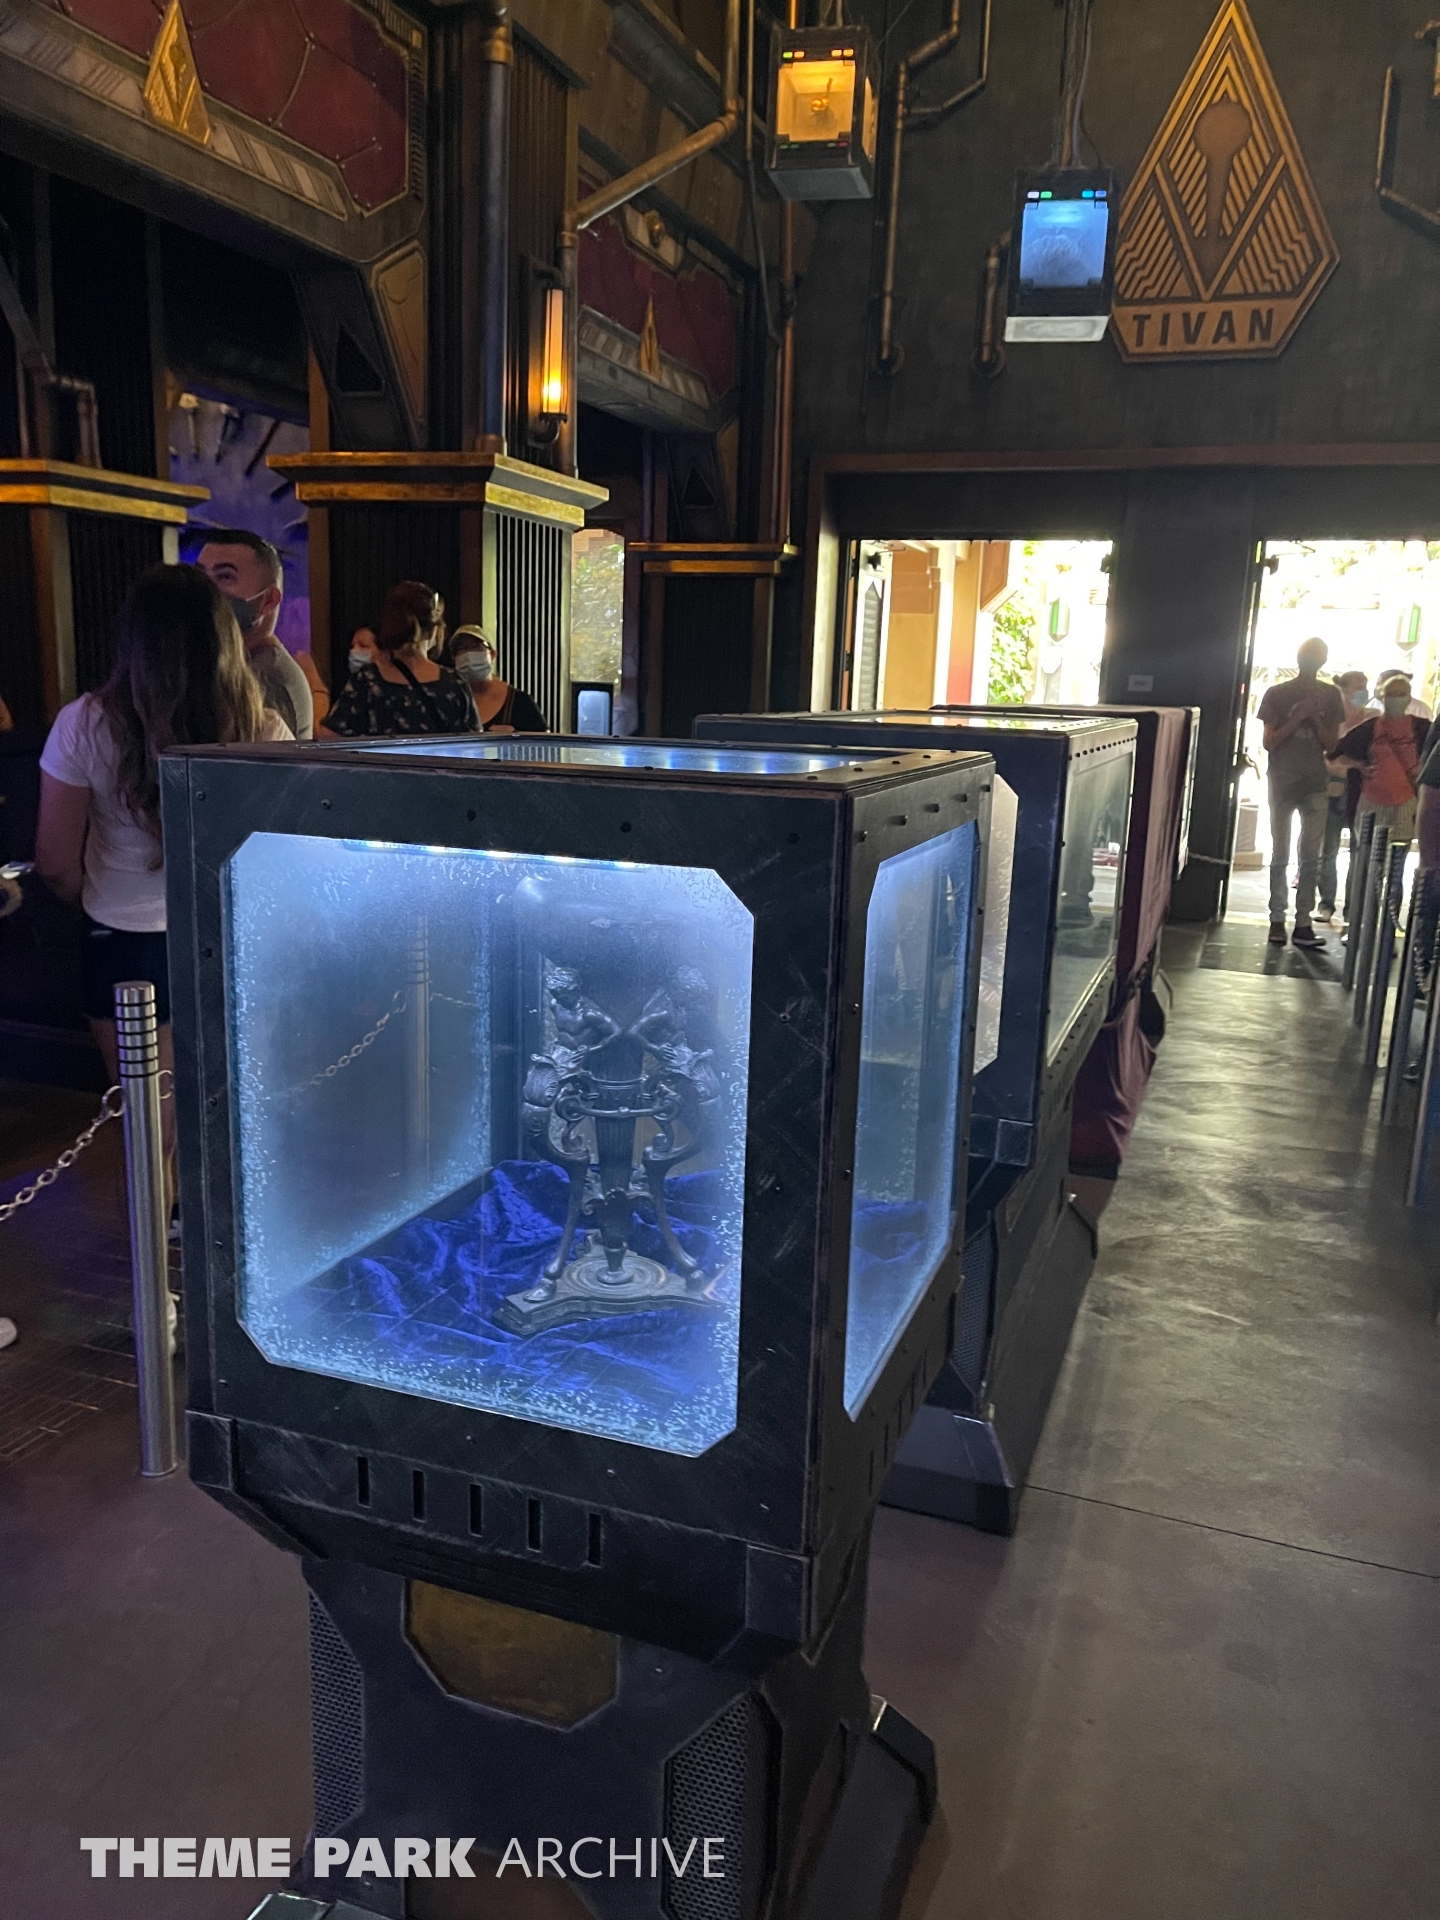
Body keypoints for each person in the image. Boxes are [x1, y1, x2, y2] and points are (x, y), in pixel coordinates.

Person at [34, 566, 291, 1186]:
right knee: (236, 1100)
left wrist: (99, 892)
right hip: (233, 934)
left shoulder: (84, 723)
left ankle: (165, 1226)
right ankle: (231, 1225)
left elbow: (55, 860)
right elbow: (283, 857)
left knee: (153, 1120)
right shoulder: (262, 727)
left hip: (124, 940)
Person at [1256, 638, 1345, 948]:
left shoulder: (1330, 695)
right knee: (1280, 853)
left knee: (1310, 857)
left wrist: (1314, 716)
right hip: (1283, 780)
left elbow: (1331, 745)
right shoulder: (1277, 693)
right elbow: (1270, 742)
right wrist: (1298, 716)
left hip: (1314, 782)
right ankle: (1277, 918)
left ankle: (1303, 921)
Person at [196, 528, 314, 741]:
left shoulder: (267, 680)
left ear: (268, 600)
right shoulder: (234, 665)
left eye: (225, 577)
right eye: (201, 575)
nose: (207, 589)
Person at [320, 582, 478, 738]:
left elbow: (329, 735)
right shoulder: (455, 683)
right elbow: (474, 742)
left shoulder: (367, 681)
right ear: (433, 631)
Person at [1328, 674, 1431, 851]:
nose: (1396, 699)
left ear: (1409, 697)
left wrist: (1421, 772)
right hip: (1371, 800)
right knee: (1366, 854)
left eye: (1401, 694)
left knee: (1397, 855)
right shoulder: (1369, 728)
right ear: (1383, 697)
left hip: (1407, 801)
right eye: (1391, 694)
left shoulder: (1422, 728)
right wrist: (1359, 766)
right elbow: (1335, 753)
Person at [1316, 671, 1375, 921]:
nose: (1363, 691)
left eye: (1365, 686)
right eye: (1358, 686)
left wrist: (1347, 764)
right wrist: (1353, 766)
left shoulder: (1373, 719)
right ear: (1344, 689)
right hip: (1333, 790)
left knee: (1359, 852)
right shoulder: (1332, 720)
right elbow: (1326, 759)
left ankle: (1353, 908)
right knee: (1327, 849)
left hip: (1363, 792)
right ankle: (1326, 903)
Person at [449, 625, 548, 733]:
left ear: (492, 654)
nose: (468, 654)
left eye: (475, 647)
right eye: (461, 649)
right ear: (454, 659)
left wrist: (516, 735)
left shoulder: (520, 702)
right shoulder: (448, 702)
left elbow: (545, 740)